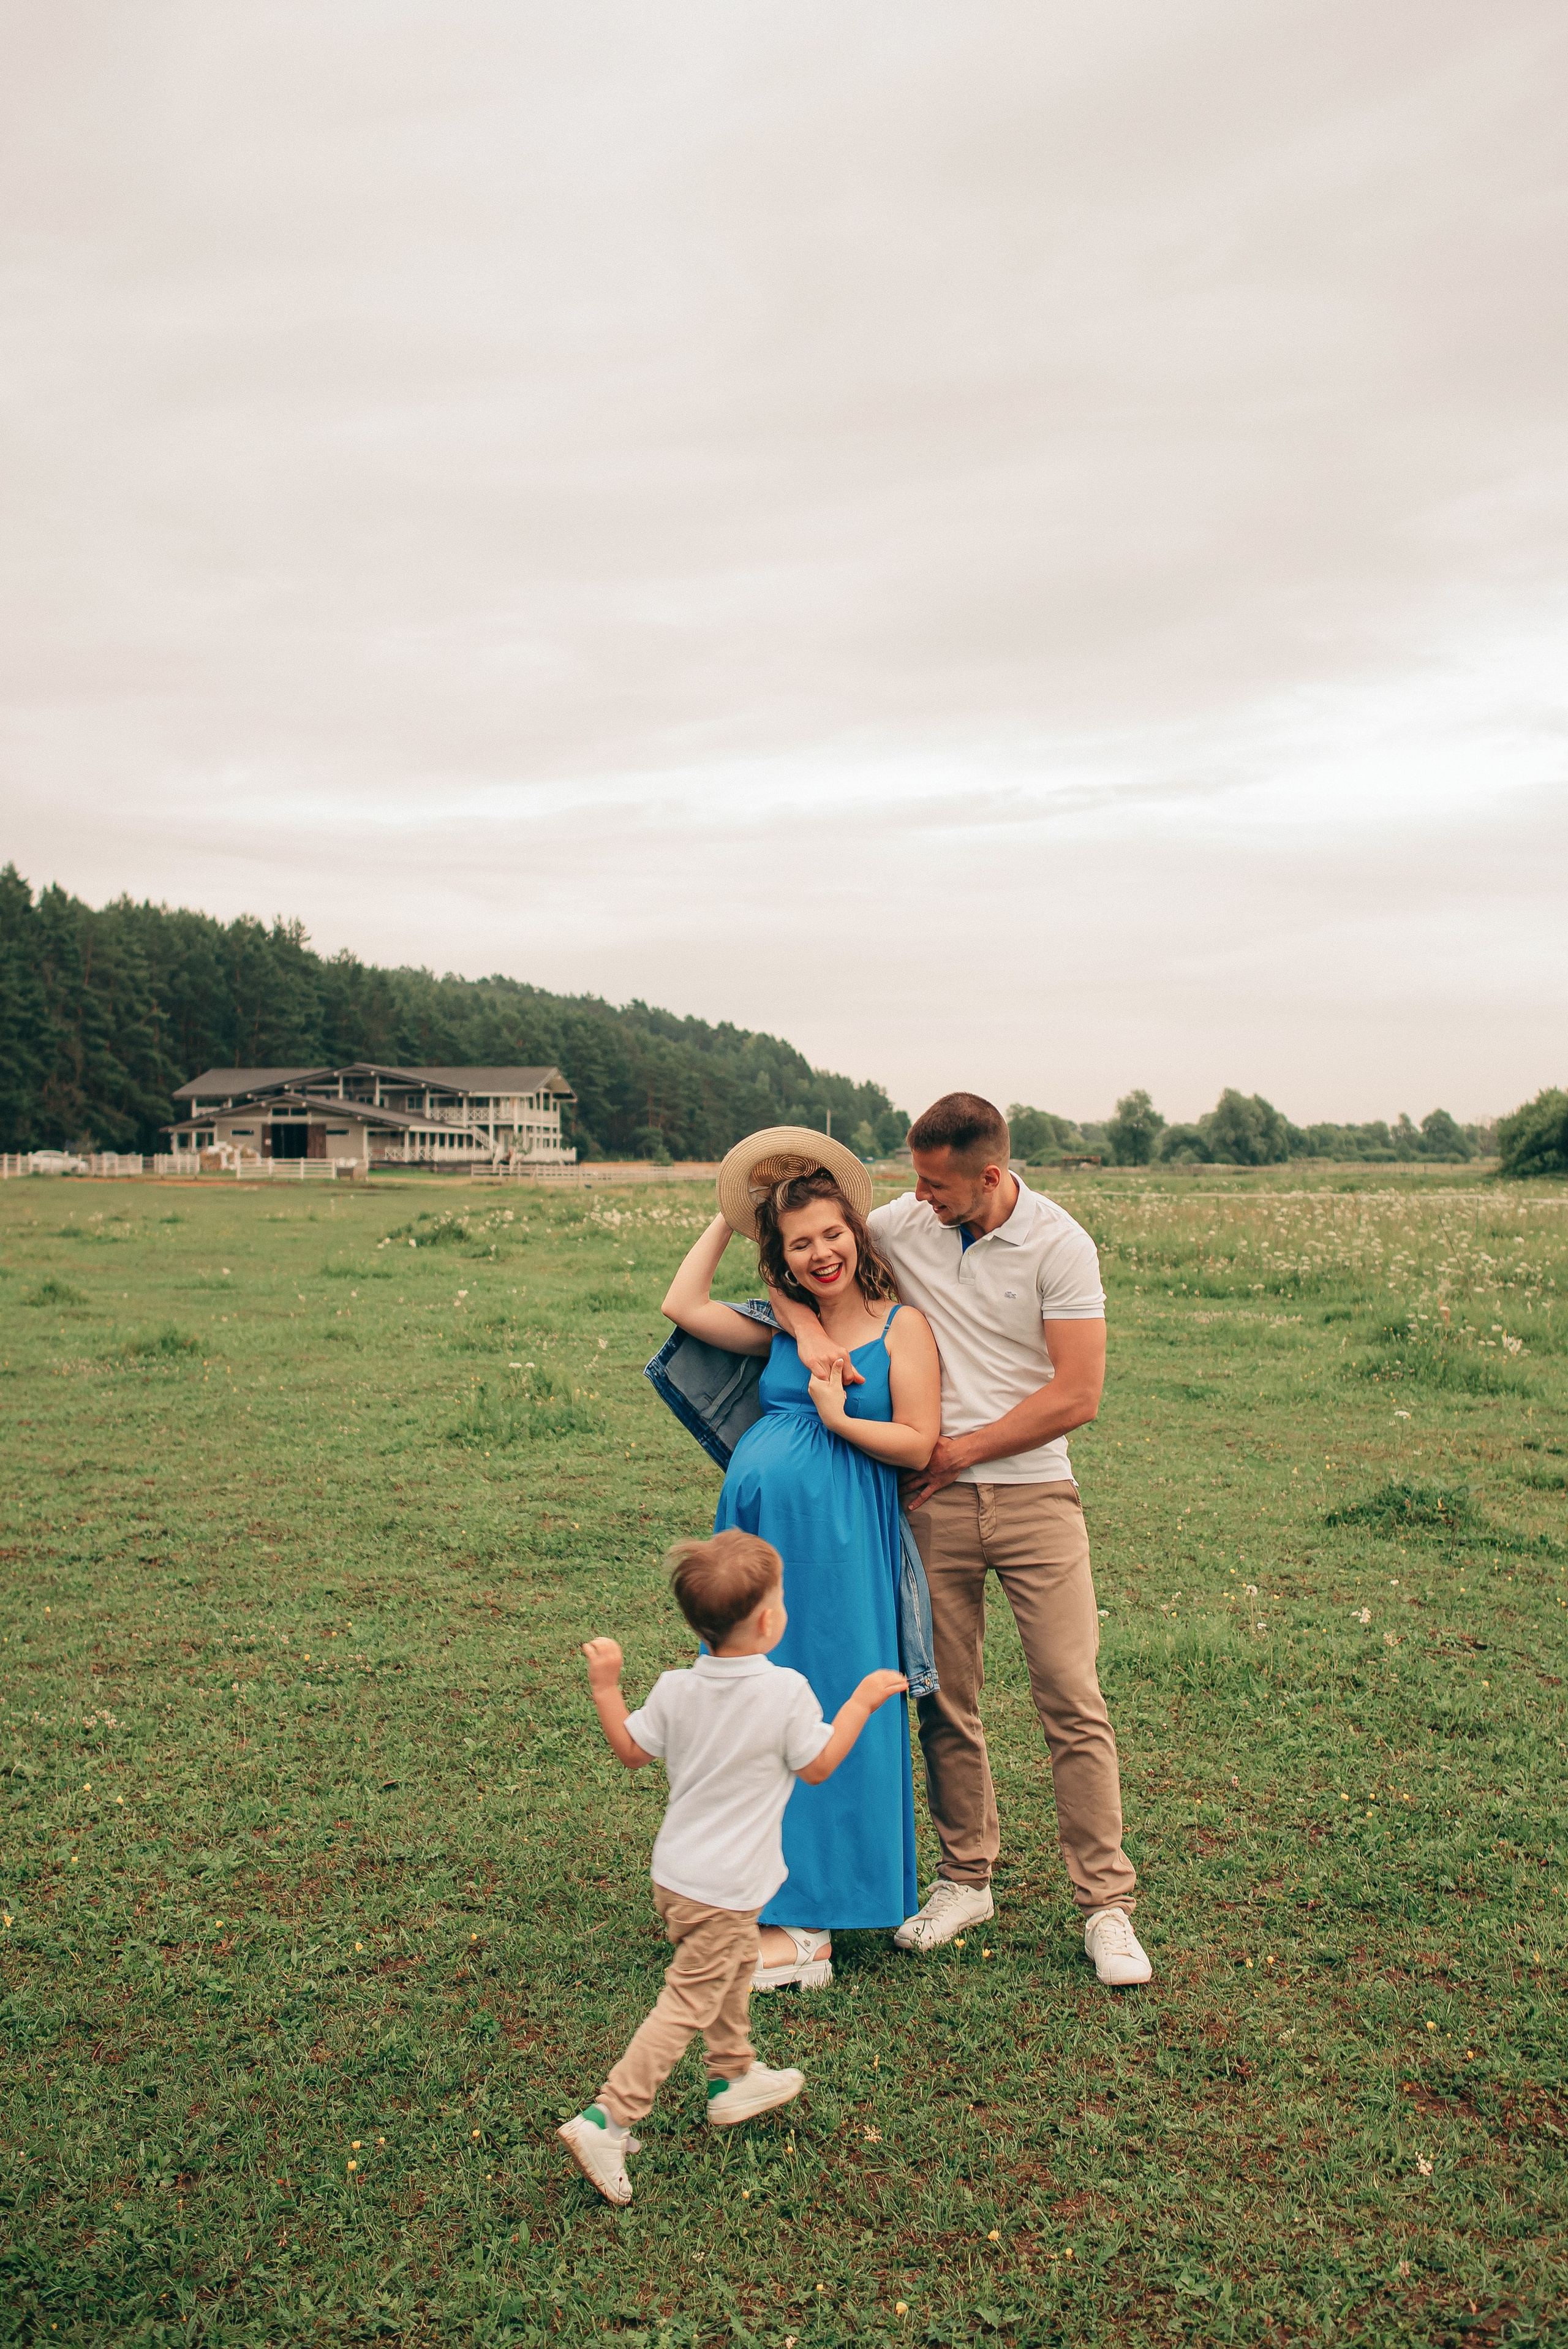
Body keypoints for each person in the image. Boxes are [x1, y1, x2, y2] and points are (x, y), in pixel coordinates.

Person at [766, 1093, 1152, 1989]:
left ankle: (1106, 1906)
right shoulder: (905, 1225)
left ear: (989, 1175)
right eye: (915, 1181)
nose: (917, 1198)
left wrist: (961, 1451)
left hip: (1034, 1495)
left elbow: (1079, 1393)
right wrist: (810, 1332)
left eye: (936, 1185)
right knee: (943, 1697)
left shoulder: (1060, 1243)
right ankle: (965, 1878)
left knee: (1071, 1696)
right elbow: (795, 1268)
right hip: (930, 1507)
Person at [660, 1132, 941, 1989]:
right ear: (778, 1255)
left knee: (826, 1703)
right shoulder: (780, 1326)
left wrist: (839, 1417)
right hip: (760, 1539)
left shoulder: (901, 1327)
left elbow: (918, 1441)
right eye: (797, 1243)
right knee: (752, 1708)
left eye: (831, 1234)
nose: (820, 1254)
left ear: (856, 1233)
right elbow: (682, 1303)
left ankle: (814, 1928)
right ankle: (767, 1901)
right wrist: (733, 1213)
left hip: (842, 1547)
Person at [558, 1529, 907, 2205]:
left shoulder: (675, 1688)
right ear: (770, 1621)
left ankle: (733, 2075)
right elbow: (818, 1767)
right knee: (690, 1997)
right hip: (725, 1885)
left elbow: (632, 1752)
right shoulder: (785, 1692)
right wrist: (860, 1703)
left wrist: (606, 1687)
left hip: (678, 1875)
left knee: (731, 1964)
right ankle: (608, 2119)